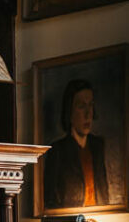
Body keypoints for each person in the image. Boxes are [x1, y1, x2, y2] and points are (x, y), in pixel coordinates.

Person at [43, 78, 108, 210]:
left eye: (90, 105)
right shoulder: (57, 150)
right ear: (70, 111)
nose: (88, 114)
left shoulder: (98, 145)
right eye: (81, 106)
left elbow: (103, 190)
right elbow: (50, 200)